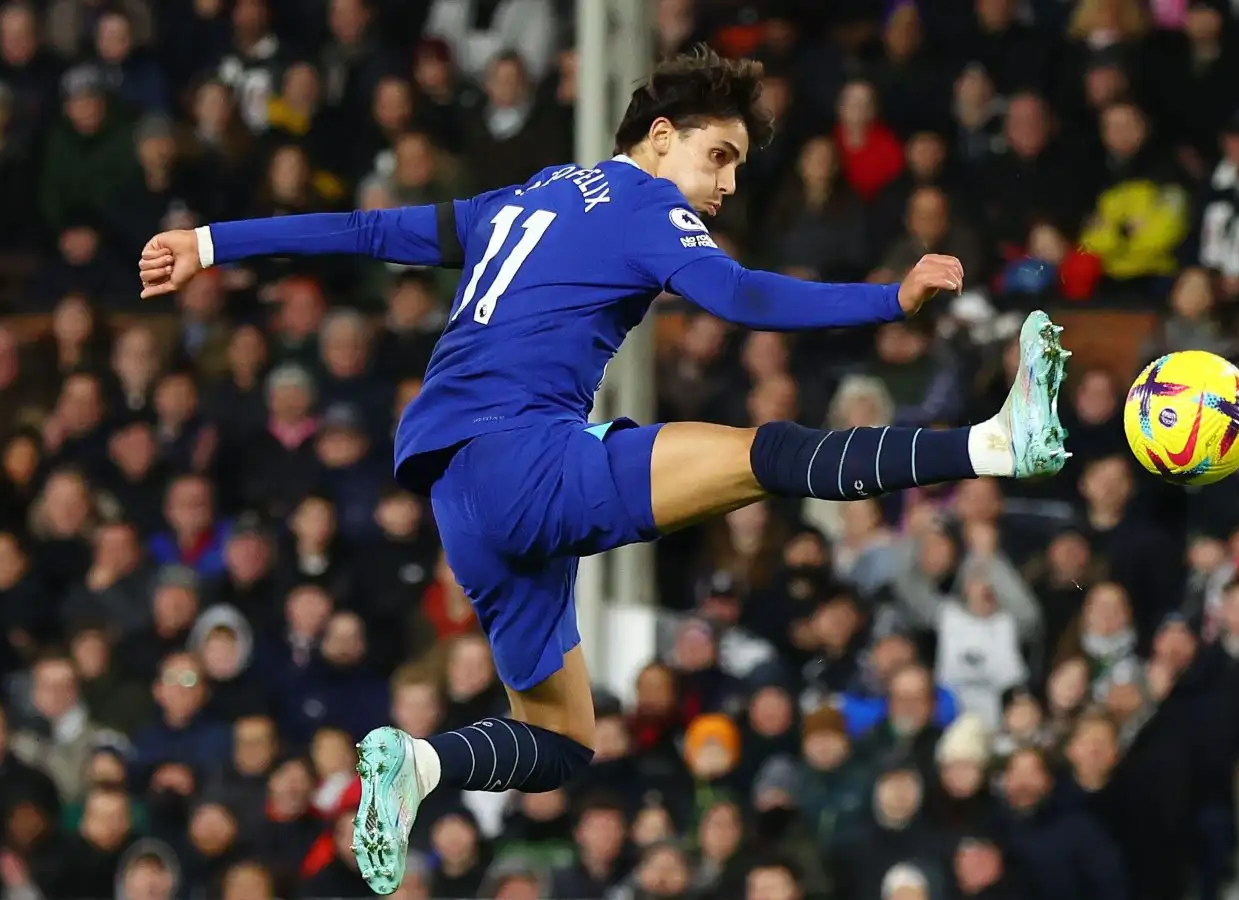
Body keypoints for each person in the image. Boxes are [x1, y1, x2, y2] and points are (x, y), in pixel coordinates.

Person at [135, 49, 1073, 896]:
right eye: (720, 156)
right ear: (660, 138)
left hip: (457, 493)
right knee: (763, 458)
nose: (728, 184)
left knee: (560, 738)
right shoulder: (645, 205)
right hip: (528, 459)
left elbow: (374, 231)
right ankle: (994, 443)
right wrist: (889, 298)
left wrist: (212, 243)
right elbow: (738, 294)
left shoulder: (529, 193)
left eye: (739, 167)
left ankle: (418, 767)